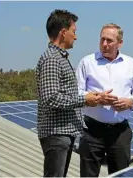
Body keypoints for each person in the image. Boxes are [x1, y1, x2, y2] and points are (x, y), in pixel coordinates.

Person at [35, 9, 104, 177]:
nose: (76, 36)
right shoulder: (52, 59)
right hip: (56, 133)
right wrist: (84, 100)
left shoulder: (59, 58)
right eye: (74, 32)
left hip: (62, 134)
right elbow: (51, 98)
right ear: (63, 32)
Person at [76, 23, 133, 176]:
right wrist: (96, 98)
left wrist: (130, 102)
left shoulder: (131, 64)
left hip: (119, 132)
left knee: (119, 174)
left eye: (109, 41)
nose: (104, 44)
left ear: (119, 43)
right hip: (92, 131)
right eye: (102, 39)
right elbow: (76, 93)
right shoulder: (87, 63)